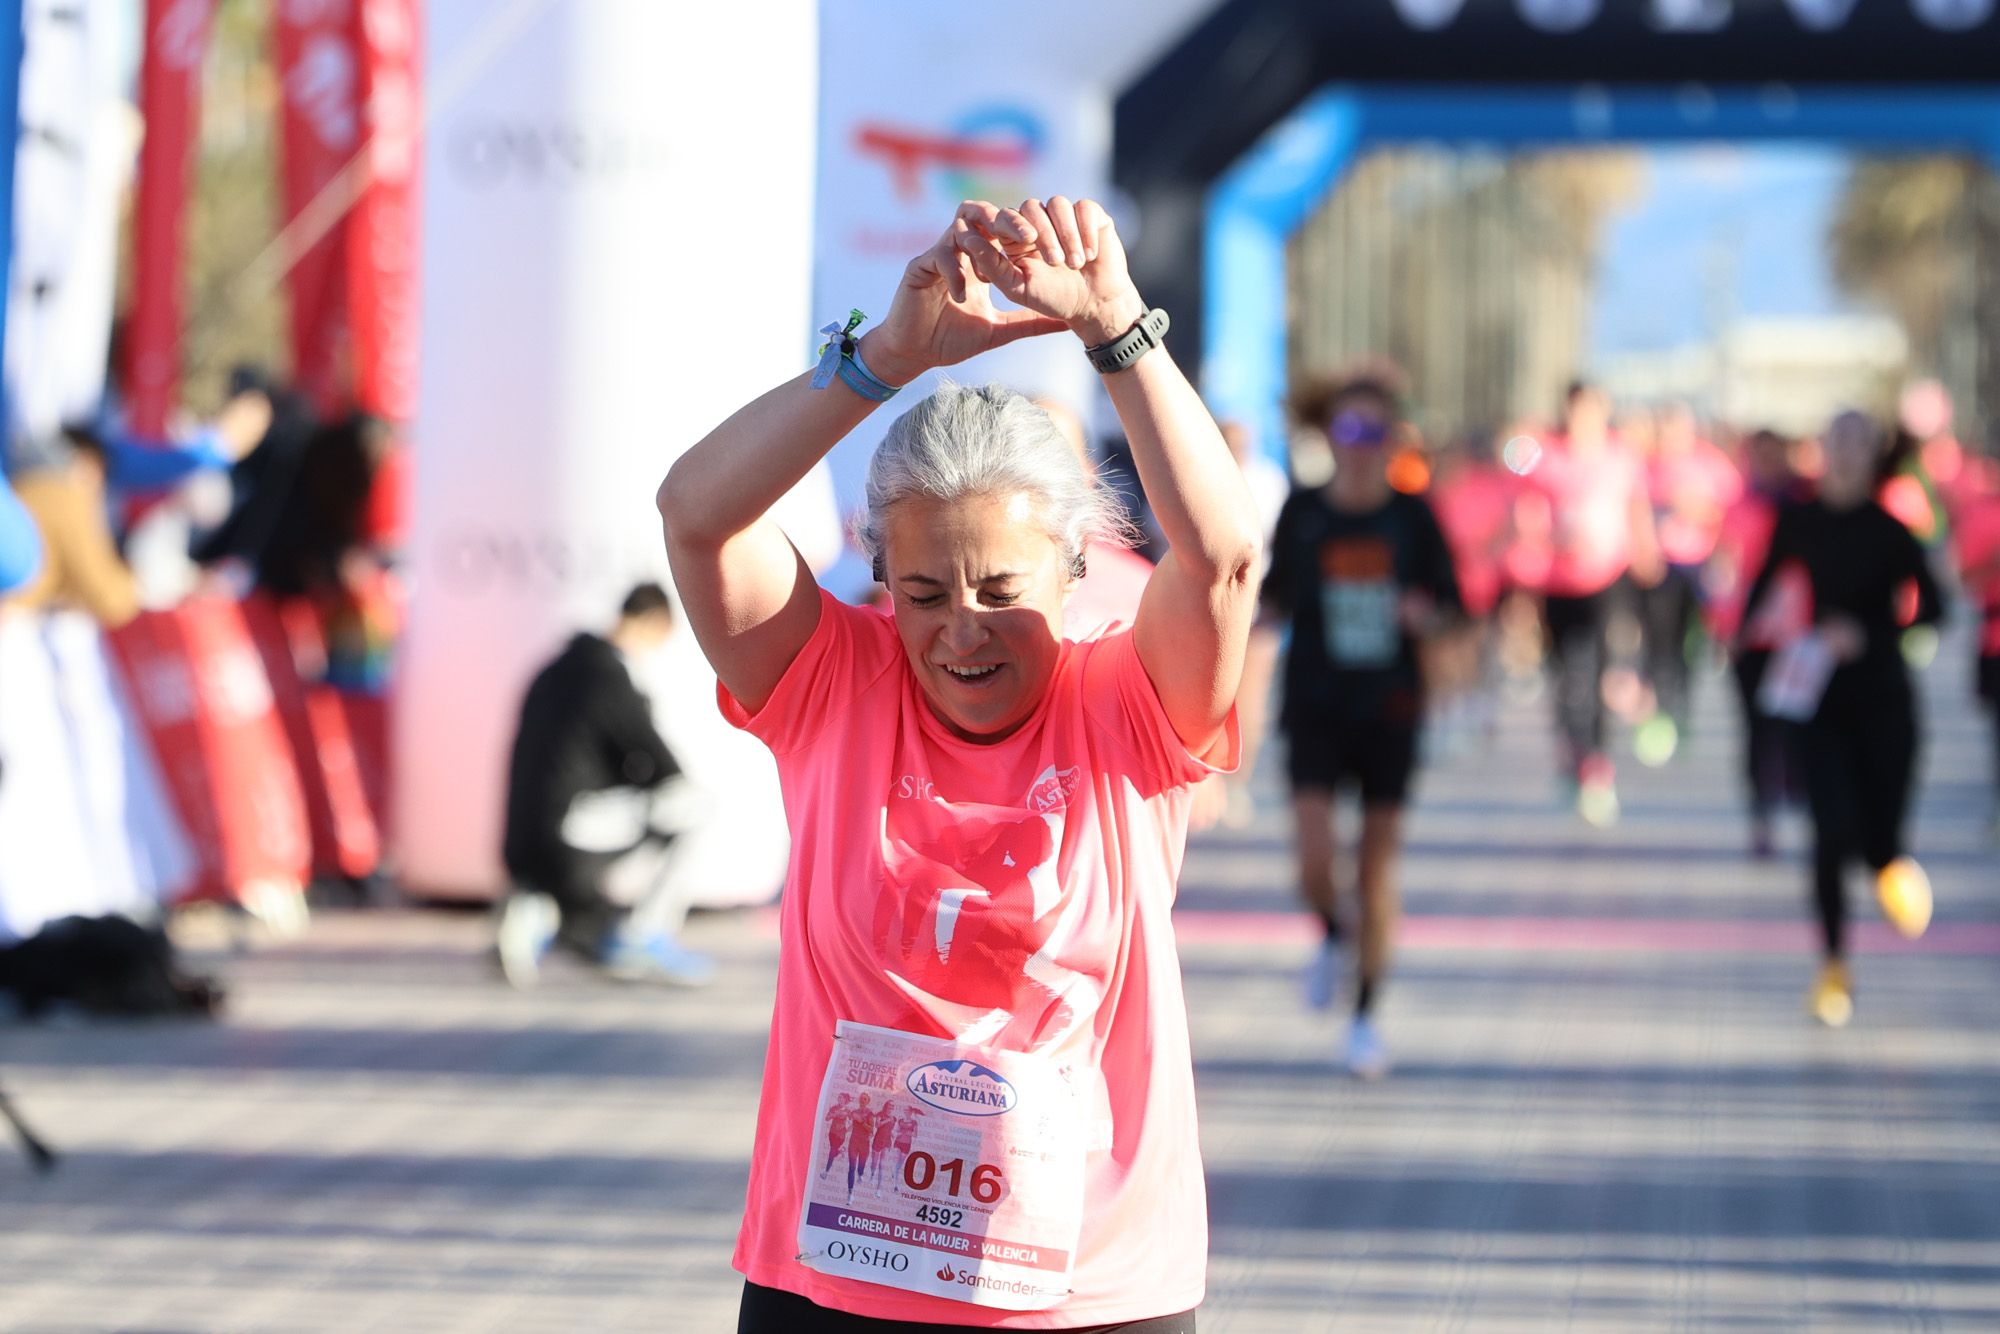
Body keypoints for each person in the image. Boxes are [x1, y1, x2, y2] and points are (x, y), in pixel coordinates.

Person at [660, 195, 1254, 1331]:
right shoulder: (835, 681)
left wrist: (1114, 327)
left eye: (1001, 591)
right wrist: (883, 358)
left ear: (1077, 567)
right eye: (924, 592)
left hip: (1091, 1290)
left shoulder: (1126, 704)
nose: (960, 629)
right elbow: (695, 515)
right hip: (837, 1283)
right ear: (880, 576)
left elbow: (1221, 556)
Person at [1252, 373, 1461, 1079]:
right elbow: (1273, 600)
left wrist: (1423, 617)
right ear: (1328, 438)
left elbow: (1456, 609)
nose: (1361, 447)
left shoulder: (1413, 517)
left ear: (1392, 441)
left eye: (1375, 433)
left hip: (1391, 709)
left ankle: (1365, 1017)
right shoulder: (1304, 513)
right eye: (1349, 431)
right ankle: (1333, 934)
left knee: (1376, 869)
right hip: (1314, 702)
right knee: (1314, 863)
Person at [1738, 411, 1942, 1028]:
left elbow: (1934, 609)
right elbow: (1761, 594)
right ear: (1822, 450)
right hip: (1818, 704)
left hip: (1884, 703)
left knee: (1876, 841)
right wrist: (1754, 642)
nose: (1847, 454)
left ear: (1872, 453)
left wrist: (1871, 633)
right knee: (1829, 834)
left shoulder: (1891, 528)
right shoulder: (1796, 521)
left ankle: (1889, 865)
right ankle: (1833, 967)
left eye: (1860, 443)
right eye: (1838, 442)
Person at [495, 583, 715, 988]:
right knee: (695, 807)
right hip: (570, 830)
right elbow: (659, 764)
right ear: (652, 624)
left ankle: (534, 909)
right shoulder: (608, 675)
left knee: (566, 881)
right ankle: (642, 935)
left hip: (524, 839)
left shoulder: (556, 667)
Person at [1525, 381, 1662, 826]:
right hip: (1558, 580)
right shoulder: (1547, 457)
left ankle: (1599, 768)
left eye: (1593, 410)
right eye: (1577, 410)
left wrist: (1646, 550)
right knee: (1566, 676)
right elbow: (1528, 512)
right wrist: (1549, 539)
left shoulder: (1621, 457)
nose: (1585, 418)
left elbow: (1636, 507)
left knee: (1604, 670)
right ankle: (1570, 755)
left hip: (1609, 577)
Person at [1711, 428, 1806, 857]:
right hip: (1750, 637)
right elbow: (1723, 569)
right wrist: (1724, 626)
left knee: (1793, 727)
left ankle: (1796, 792)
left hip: (1795, 637)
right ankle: (1761, 815)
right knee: (1755, 730)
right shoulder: (1738, 509)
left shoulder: (1804, 507)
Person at [1635, 403, 1741, 765]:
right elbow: (1633, 510)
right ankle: (1661, 711)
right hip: (1660, 565)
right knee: (1659, 638)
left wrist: (1695, 509)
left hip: (1699, 566)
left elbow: (1732, 513)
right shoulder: (1648, 466)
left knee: (1690, 643)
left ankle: (1681, 707)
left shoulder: (1712, 464)